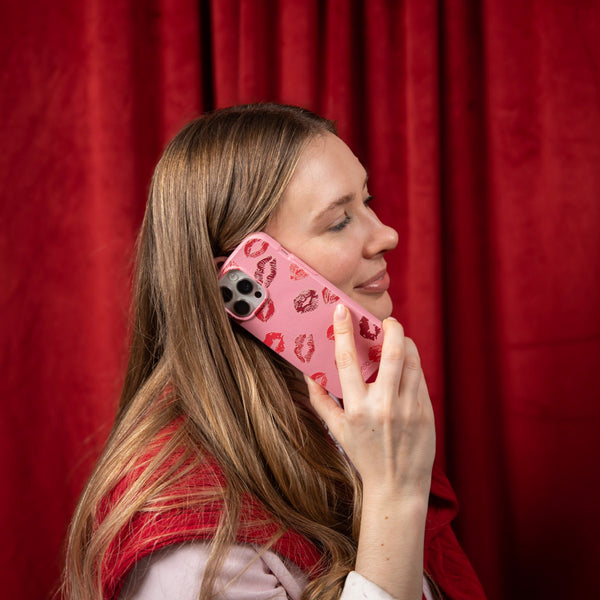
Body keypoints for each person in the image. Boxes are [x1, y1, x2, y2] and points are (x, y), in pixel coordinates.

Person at [62, 103, 486, 600]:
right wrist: (395, 499)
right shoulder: (195, 543)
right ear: (236, 282)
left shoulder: (349, 424)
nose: (386, 235)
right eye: (339, 221)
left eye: (367, 202)